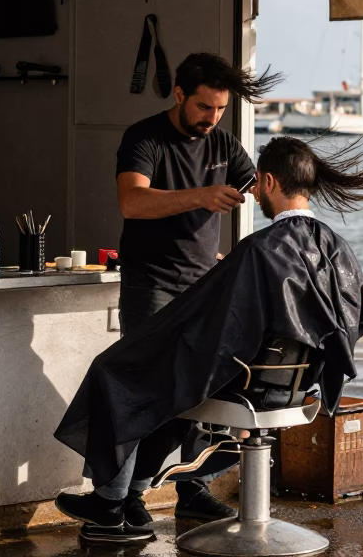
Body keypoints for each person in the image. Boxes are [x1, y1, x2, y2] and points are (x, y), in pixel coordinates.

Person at [54, 136, 363, 544]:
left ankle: (109, 506)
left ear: (267, 182)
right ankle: (131, 498)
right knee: (164, 379)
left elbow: (217, 328)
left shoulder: (260, 250)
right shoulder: (335, 247)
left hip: (249, 388)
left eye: (257, 185)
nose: (256, 190)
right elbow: (356, 317)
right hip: (296, 388)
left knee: (117, 371)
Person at [113, 52, 280, 524]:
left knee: (208, 394)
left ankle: (191, 488)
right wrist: (201, 196)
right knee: (152, 396)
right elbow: (132, 201)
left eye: (221, 110)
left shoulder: (225, 144)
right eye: (205, 107)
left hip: (206, 289)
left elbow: (264, 187)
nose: (212, 119)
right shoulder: (144, 138)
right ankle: (124, 498)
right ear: (180, 94)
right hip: (151, 287)